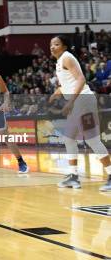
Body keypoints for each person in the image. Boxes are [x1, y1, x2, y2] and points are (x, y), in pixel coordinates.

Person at [49, 36, 110, 191]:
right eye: (51, 44)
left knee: (92, 140)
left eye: (56, 44)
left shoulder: (67, 58)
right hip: (78, 104)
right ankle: (73, 176)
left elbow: (81, 80)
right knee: (69, 139)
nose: (52, 47)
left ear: (64, 47)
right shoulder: (60, 60)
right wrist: (57, 92)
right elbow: (68, 83)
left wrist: (70, 102)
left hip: (83, 102)